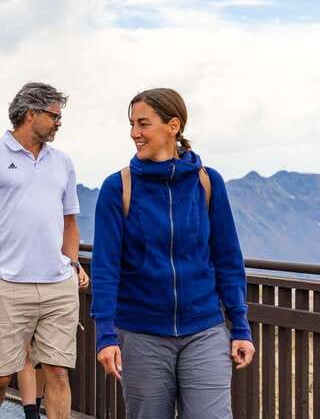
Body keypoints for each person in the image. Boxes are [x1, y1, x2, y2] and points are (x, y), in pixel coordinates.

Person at [90, 88, 255, 419]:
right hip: (141, 335)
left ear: (173, 125)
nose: (134, 133)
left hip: (204, 329)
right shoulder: (118, 187)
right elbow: (105, 267)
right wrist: (105, 335)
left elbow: (227, 259)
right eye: (131, 124)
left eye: (143, 123)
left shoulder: (207, 183)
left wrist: (240, 327)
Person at [0, 82, 89, 419]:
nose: (59, 122)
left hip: (58, 285)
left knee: (58, 373)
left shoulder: (63, 163)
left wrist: (72, 262)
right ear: (30, 114)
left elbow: (70, 223)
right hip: (6, 284)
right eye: (54, 115)